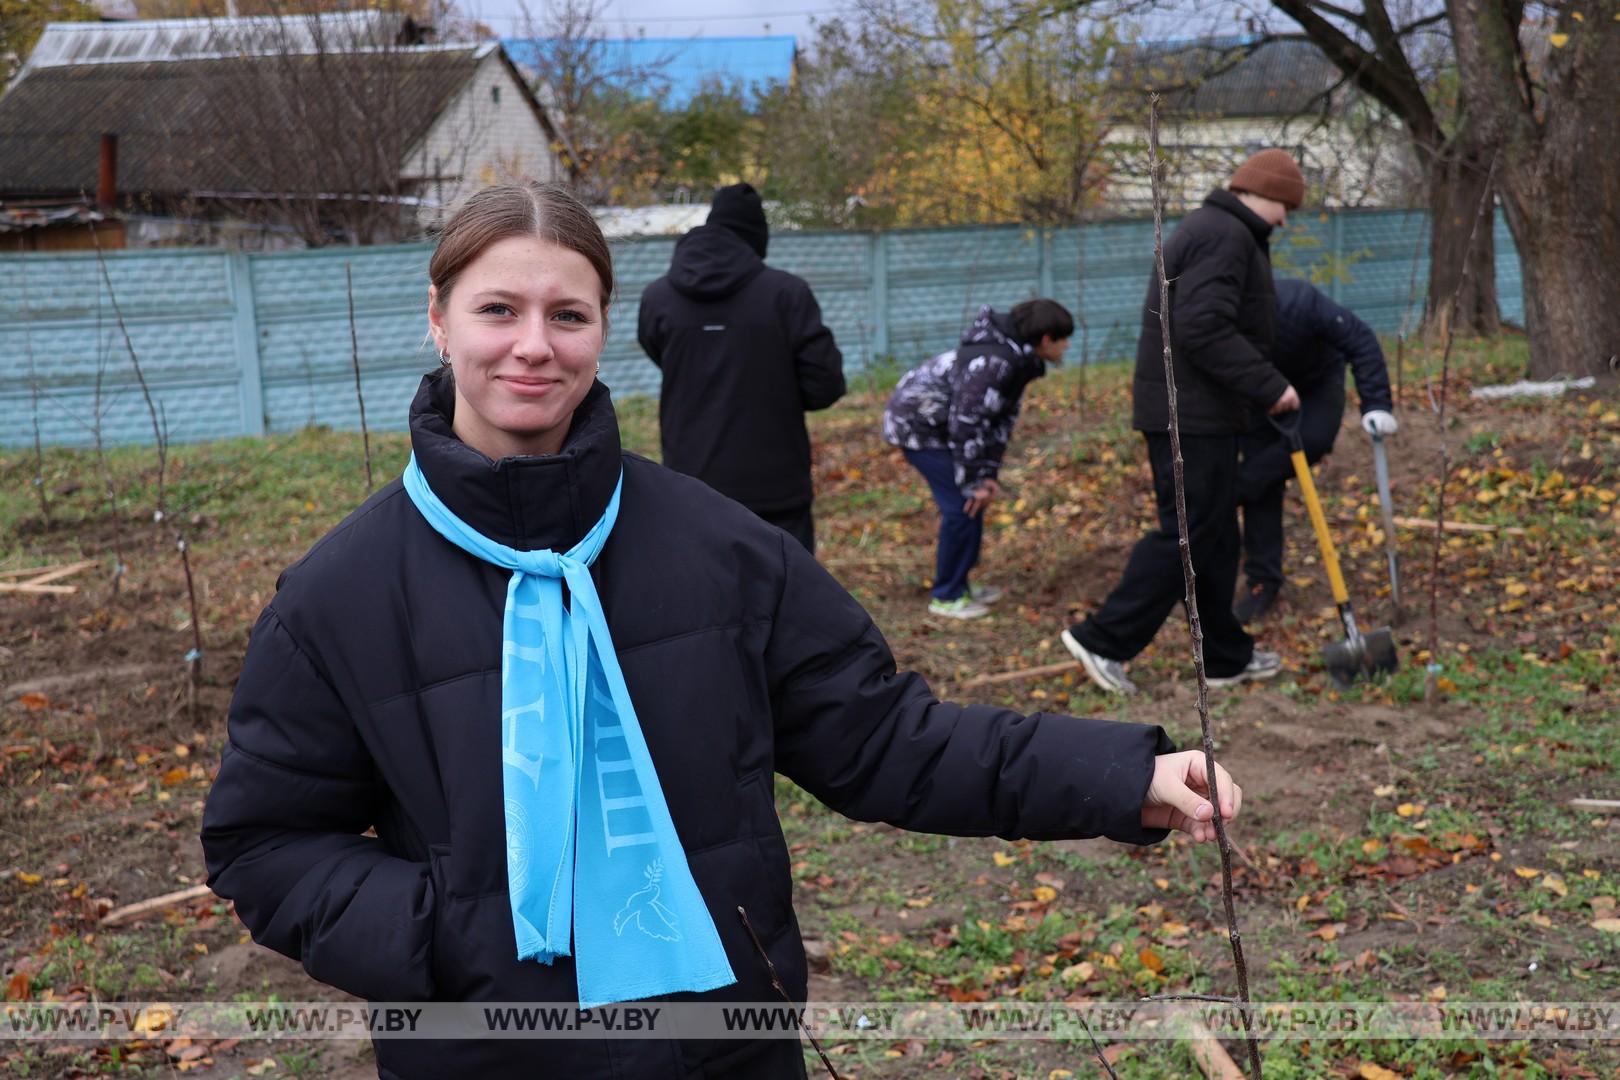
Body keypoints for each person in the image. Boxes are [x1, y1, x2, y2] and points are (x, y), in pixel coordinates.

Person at [201, 183, 1243, 1080]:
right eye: (497, 310)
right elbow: (268, 841)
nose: (532, 344)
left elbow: (886, 742)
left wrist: (1122, 776)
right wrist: (449, 936)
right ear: (438, 320)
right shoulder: (340, 595)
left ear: (606, 326)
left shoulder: (721, 551)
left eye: (567, 314)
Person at [1060, 149, 1306, 696]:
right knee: (1189, 536)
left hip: (1199, 411)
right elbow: (1202, 328)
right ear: (1259, 193)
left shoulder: (1217, 229)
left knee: (1214, 535)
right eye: (1285, 206)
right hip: (1191, 415)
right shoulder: (1226, 235)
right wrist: (1271, 386)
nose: (1287, 220)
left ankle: (1223, 654)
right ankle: (1103, 640)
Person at [636, 182, 845, 554]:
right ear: (757, 238)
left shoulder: (658, 297)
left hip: (691, 484)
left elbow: (660, 355)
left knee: (704, 598)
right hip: (777, 487)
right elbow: (825, 384)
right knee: (790, 601)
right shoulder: (786, 294)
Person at [882, 301, 1073, 619]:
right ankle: (946, 596)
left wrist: (988, 474)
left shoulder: (1018, 360)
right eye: (1064, 339)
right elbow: (966, 422)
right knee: (961, 506)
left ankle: (961, 585)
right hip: (918, 428)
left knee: (972, 502)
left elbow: (998, 422)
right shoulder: (994, 361)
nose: (1067, 346)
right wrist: (972, 480)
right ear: (1046, 339)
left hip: (944, 428)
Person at [1234, 278, 1397, 622]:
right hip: (1262, 391)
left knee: (1308, 443)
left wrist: (1377, 403)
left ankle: (1234, 491)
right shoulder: (1226, 319)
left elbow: (1360, 339)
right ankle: (1263, 581)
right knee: (1263, 479)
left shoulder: (1302, 304)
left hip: (1317, 383)